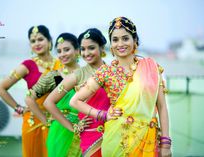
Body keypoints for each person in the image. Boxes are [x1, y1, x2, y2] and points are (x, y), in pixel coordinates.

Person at [70, 17, 172, 157]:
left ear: (134, 40)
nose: (120, 44)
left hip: (148, 140)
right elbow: (75, 101)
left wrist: (166, 143)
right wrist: (102, 115)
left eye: (125, 38)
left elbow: (161, 107)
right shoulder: (106, 72)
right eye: (115, 40)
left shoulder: (151, 68)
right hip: (116, 140)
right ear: (111, 45)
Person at [0, 25, 62, 157]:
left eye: (40, 39)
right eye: (33, 41)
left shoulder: (61, 64)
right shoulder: (27, 65)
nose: (37, 43)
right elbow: (0, 88)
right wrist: (18, 108)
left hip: (57, 120)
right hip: (33, 121)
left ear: (49, 40)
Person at [44, 28, 110, 157]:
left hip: (112, 131)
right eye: (83, 49)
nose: (86, 53)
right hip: (90, 134)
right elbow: (49, 102)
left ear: (102, 48)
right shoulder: (78, 75)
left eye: (91, 48)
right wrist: (73, 126)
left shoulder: (113, 71)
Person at [25, 32, 82, 157]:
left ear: (77, 50)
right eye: (59, 51)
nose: (62, 54)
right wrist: (47, 122)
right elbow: (29, 98)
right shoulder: (54, 76)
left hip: (84, 127)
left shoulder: (87, 74)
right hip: (59, 129)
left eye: (66, 49)